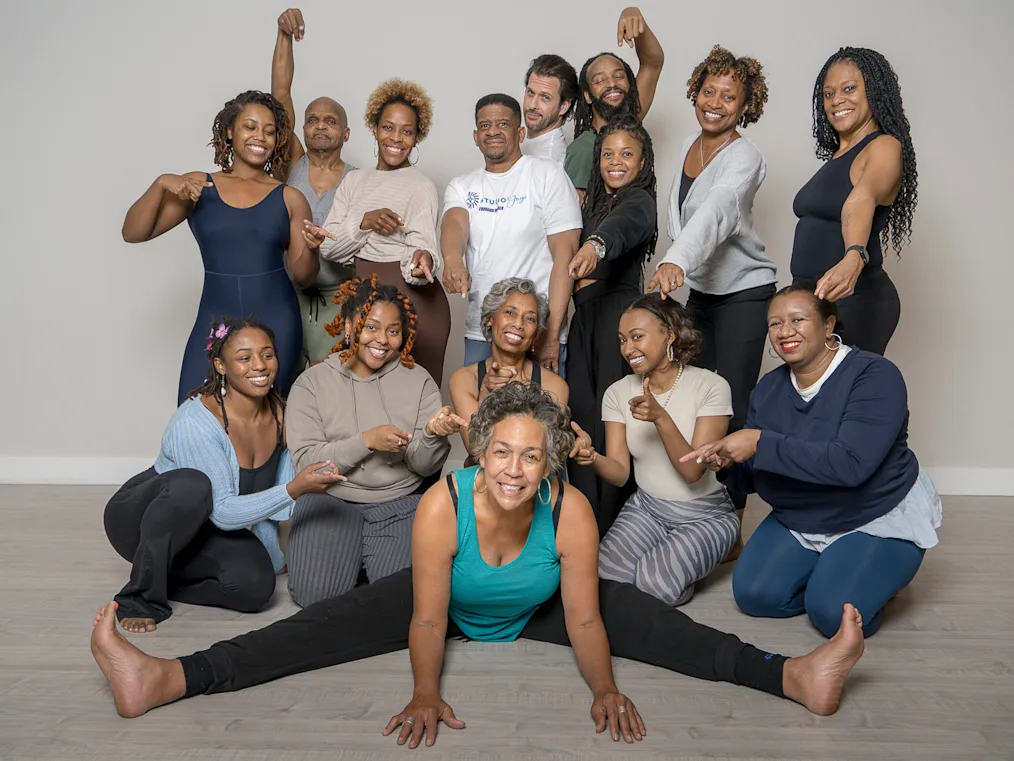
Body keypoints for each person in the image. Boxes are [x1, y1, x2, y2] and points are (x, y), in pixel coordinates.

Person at [91, 383, 868, 737]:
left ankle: (793, 675)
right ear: (481, 451)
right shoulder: (444, 502)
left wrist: (603, 688)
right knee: (311, 628)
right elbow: (428, 616)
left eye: (531, 455)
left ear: (550, 462)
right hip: (448, 599)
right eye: (502, 450)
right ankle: (167, 676)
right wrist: (426, 692)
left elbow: (590, 615)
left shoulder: (568, 508)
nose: (514, 467)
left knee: (661, 627)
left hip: (539, 606)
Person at [682, 284, 942, 638]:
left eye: (797, 319)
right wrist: (726, 463)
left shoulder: (874, 375)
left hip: (871, 510)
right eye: (774, 324)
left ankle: (871, 577)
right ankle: (839, 571)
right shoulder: (769, 390)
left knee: (833, 615)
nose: (784, 331)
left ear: (828, 324)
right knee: (755, 596)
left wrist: (759, 441)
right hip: (803, 513)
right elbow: (757, 478)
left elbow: (851, 466)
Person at [103, 317, 344, 633]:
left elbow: (279, 508)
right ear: (220, 365)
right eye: (244, 358)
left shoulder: (282, 414)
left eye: (267, 354)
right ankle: (140, 596)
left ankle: (166, 578)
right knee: (192, 485)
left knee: (257, 588)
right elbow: (225, 513)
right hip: (142, 519)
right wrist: (296, 487)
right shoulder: (195, 424)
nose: (259, 365)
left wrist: (272, 557)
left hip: (204, 527)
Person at [648, 45, 775, 558]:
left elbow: (717, 212)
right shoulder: (684, 146)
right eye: (708, 91)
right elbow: (682, 218)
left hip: (745, 292)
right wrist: (676, 265)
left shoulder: (745, 156)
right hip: (702, 293)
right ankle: (692, 505)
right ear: (695, 93)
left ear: (746, 106)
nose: (716, 103)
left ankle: (732, 523)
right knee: (697, 399)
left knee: (736, 405)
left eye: (730, 96)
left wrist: (677, 259)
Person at [122, 91, 318, 404]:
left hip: (277, 316)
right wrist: (160, 184)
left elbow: (304, 276)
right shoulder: (199, 187)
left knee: (270, 411)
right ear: (229, 131)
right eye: (250, 127)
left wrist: (311, 247)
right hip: (215, 315)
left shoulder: (290, 199)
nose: (260, 137)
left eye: (269, 131)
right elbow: (133, 233)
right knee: (194, 406)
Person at [284, 275, 459, 606]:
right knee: (315, 598)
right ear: (350, 326)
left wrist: (433, 436)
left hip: (399, 502)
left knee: (402, 600)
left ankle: (365, 558)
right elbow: (308, 464)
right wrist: (367, 440)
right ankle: (353, 558)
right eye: (371, 327)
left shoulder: (419, 381)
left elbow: (423, 465)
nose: (383, 340)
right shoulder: (312, 383)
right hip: (330, 501)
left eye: (393, 331)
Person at [571, 295, 736, 604]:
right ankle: (662, 556)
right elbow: (620, 474)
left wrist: (661, 417)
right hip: (647, 509)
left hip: (705, 515)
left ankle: (701, 555)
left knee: (652, 586)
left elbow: (692, 472)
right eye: (622, 340)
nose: (627, 348)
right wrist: (592, 458)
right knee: (599, 578)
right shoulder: (618, 392)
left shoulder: (712, 386)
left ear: (669, 334)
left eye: (637, 337)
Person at [303, 79, 450, 384]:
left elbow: (422, 250)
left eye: (406, 131)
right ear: (374, 127)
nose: (396, 138)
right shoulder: (354, 182)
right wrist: (364, 222)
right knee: (365, 395)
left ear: (417, 136)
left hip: (414, 300)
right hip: (365, 295)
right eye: (388, 128)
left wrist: (421, 262)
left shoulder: (420, 186)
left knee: (416, 399)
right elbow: (329, 248)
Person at [790, 47, 918, 355]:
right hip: (817, 304)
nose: (837, 101)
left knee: (851, 397)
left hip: (857, 300)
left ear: (874, 92)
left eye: (849, 89)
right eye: (829, 93)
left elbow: (860, 200)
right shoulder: (840, 156)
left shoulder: (884, 147)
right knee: (817, 398)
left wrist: (854, 255)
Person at [441, 94, 582, 376]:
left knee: (542, 418)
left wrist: (551, 334)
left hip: (537, 332)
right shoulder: (462, 186)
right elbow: (455, 224)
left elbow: (565, 257)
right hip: (484, 333)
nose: (492, 131)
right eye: (485, 125)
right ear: (475, 136)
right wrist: (452, 259)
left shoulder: (547, 175)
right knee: (482, 416)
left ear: (520, 133)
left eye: (502, 123)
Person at [564, 115, 657, 532]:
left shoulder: (638, 200)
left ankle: (612, 526)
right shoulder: (595, 202)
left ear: (643, 162)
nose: (615, 162)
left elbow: (620, 229)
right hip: (585, 317)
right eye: (607, 154)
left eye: (626, 154)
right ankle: (583, 522)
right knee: (582, 416)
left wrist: (595, 246)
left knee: (611, 422)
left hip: (615, 318)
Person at [272, 7, 358, 366]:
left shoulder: (358, 180)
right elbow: (280, 94)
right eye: (312, 120)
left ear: (346, 133)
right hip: (287, 294)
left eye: (330, 121)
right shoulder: (292, 162)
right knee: (281, 385)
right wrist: (283, 36)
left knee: (330, 392)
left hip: (338, 298)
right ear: (302, 130)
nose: (320, 126)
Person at [448, 277, 569, 461]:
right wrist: (484, 394)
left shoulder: (555, 385)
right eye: (510, 312)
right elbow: (476, 449)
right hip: (483, 483)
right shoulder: (464, 379)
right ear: (490, 319)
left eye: (529, 318)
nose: (519, 324)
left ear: (535, 333)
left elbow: (548, 454)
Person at [565, 6, 665, 198]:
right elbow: (577, 219)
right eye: (600, 80)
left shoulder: (629, 125)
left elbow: (653, 63)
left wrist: (633, 13)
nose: (612, 84)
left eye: (619, 77)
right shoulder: (584, 149)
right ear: (587, 95)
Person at [521, 54, 580, 165]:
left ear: (564, 106)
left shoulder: (548, 161)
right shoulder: (523, 142)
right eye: (530, 92)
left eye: (545, 98)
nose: (533, 105)